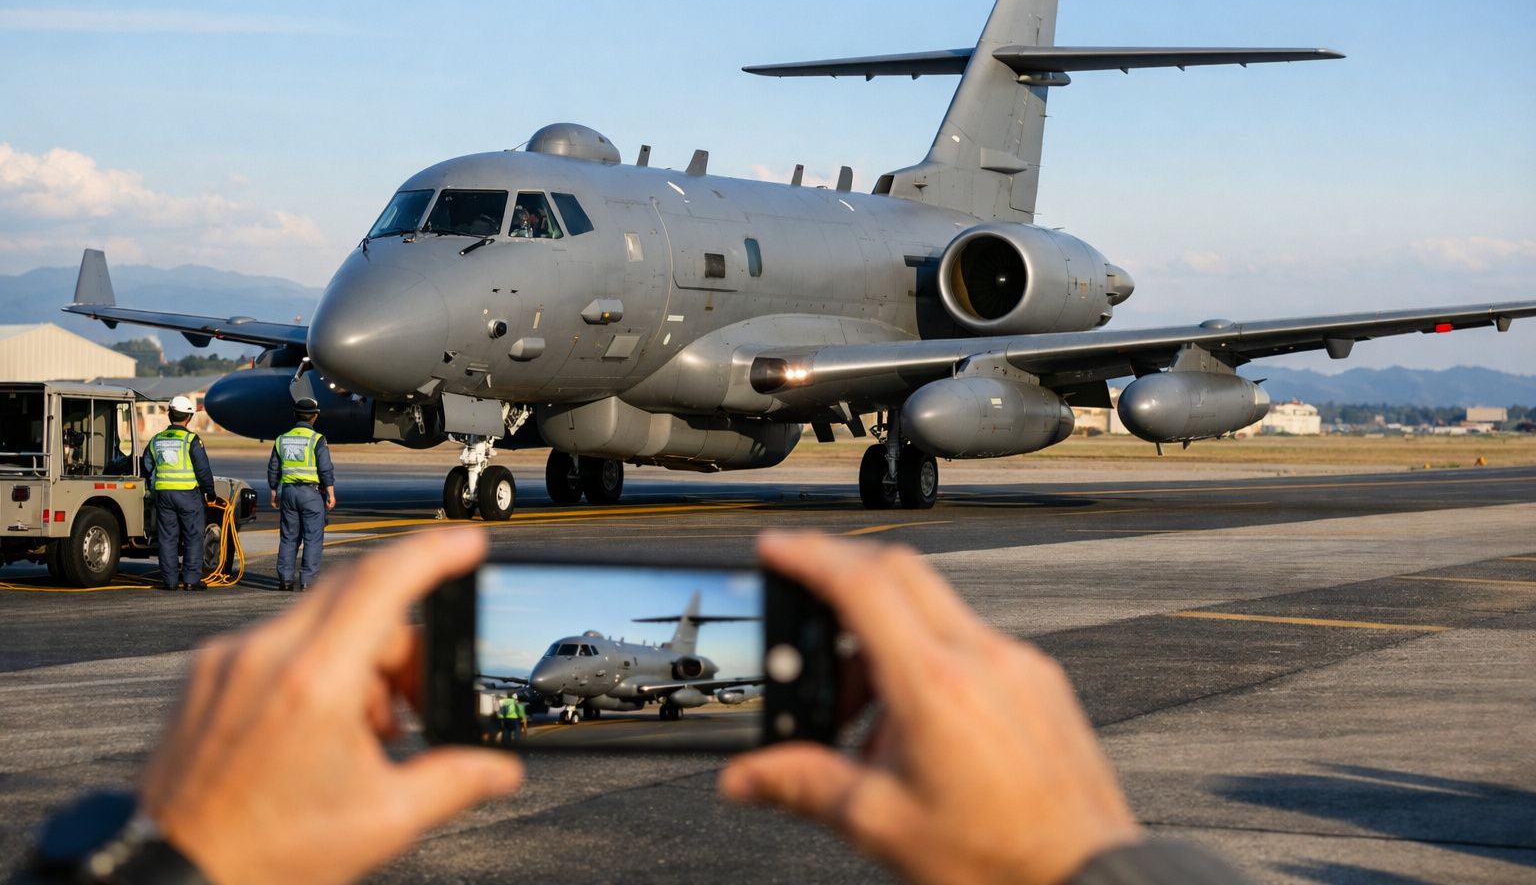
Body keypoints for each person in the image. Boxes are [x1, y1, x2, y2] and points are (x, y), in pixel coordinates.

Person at [19, 529, 1247, 884]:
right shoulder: (564, 666)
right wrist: (1093, 865)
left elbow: (696, 676)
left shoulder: (665, 667)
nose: (555, 671)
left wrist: (161, 857)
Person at [141, 395, 215, 592]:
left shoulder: (156, 440)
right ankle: (191, 580)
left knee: (167, 538)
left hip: (164, 495)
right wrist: (210, 492)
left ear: (169, 415)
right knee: (193, 536)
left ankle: (170, 581)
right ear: (188, 418)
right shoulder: (191, 439)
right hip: (188, 495)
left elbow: (146, 465)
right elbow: (203, 470)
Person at [267, 397, 336, 592]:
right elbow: (325, 469)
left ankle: (285, 580)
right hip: (312, 494)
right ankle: (307, 580)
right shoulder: (317, 439)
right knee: (312, 538)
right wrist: (330, 492)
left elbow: (273, 468)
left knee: (289, 537)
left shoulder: (282, 439)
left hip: (288, 493)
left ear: (294, 415)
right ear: (315, 417)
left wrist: (274, 491)